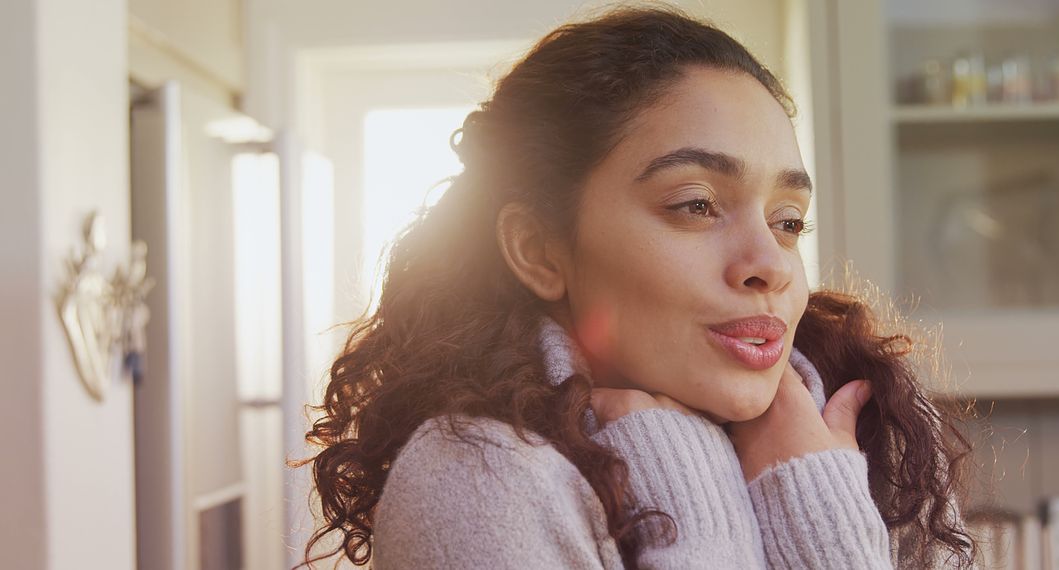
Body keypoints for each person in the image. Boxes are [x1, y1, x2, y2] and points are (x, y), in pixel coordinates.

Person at [294, 5, 979, 569]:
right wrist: (702, 525)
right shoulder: (477, 477)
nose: (768, 262)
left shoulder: (866, 436)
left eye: (788, 220)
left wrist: (816, 497)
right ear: (539, 251)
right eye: (695, 205)